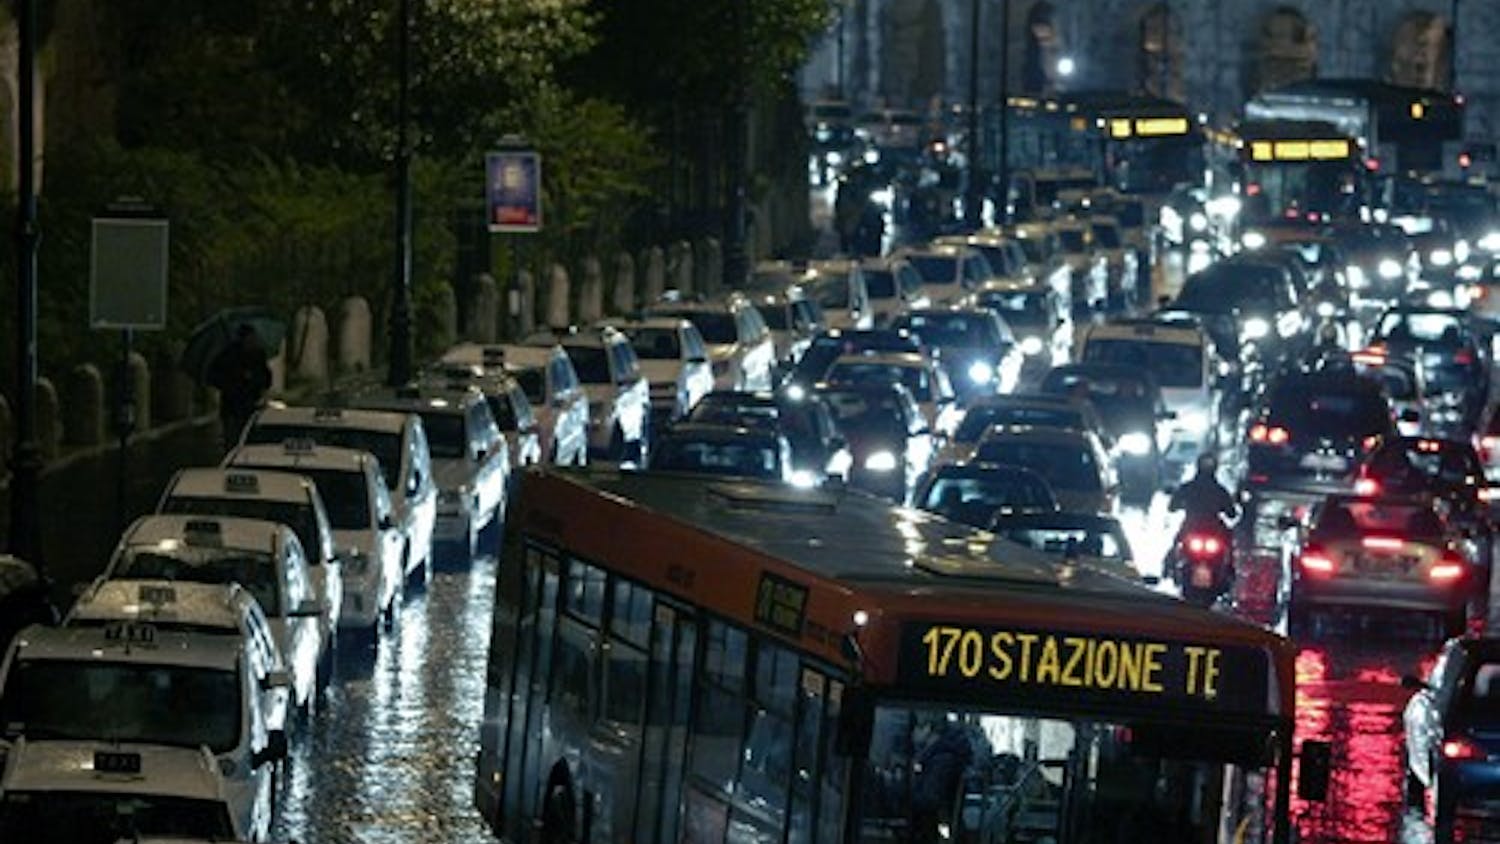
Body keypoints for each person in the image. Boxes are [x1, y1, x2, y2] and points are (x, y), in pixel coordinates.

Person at [208, 323, 272, 451]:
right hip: (232, 406)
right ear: (243, 338)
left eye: (254, 338)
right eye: (250, 338)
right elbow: (213, 377)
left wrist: (254, 379)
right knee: (232, 440)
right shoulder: (227, 356)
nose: (252, 340)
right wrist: (232, 381)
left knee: (250, 441)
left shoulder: (258, 354)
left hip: (251, 405)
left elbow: (266, 378)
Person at [1168, 453, 1238, 527]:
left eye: (1209, 465)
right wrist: (1178, 504)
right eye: (1205, 464)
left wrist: (1228, 508)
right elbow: (1172, 506)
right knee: (1180, 537)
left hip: (1213, 528)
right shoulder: (1188, 488)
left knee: (1227, 535)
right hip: (1191, 526)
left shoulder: (1220, 490)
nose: (1207, 467)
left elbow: (1231, 512)